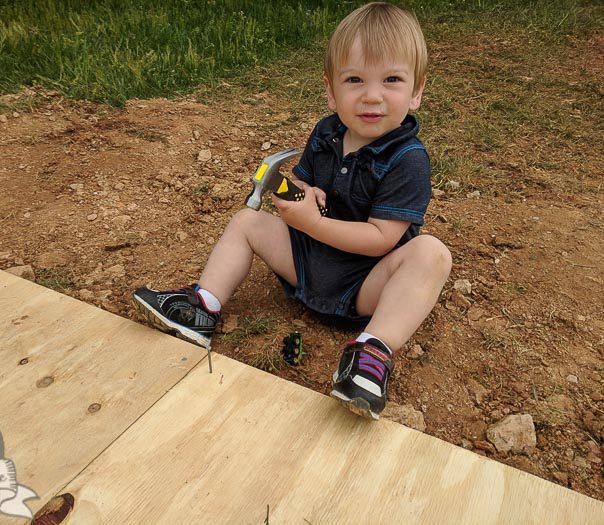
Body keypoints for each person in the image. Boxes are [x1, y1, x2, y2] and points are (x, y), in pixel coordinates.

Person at [133, 2, 452, 419]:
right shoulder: (326, 133)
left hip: (364, 288)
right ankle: (203, 306)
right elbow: (306, 181)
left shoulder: (407, 159)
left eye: (391, 79)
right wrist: (300, 192)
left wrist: (313, 222)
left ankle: (371, 352)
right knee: (249, 220)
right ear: (330, 89)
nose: (372, 95)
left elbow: (382, 240)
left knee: (431, 255)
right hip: (306, 264)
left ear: (416, 91)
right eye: (354, 79)